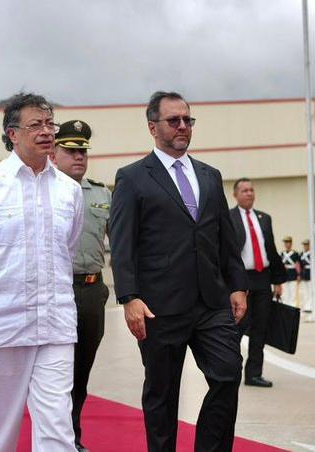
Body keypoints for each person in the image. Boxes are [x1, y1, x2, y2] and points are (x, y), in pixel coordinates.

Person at [109, 91, 248, 452]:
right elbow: (122, 243)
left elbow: (225, 239)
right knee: (162, 394)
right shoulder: (133, 178)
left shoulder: (210, 175)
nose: (183, 126)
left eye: (188, 120)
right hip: (159, 307)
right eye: (174, 121)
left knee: (228, 373)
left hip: (211, 303)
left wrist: (238, 286)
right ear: (153, 127)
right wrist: (129, 297)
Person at [0, 93, 82, 451]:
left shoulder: (70, 191)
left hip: (55, 325)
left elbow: (69, 249)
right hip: (2, 327)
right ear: (12, 133)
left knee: (58, 428)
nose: (47, 131)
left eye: (51, 124)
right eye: (36, 124)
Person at [49, 119, 110, 451]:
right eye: (71, 151)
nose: (79, 157)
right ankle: (53, 434)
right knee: (53, 372)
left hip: (90, 292)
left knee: (81, 370)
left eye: (83, 152)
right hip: (57, 291)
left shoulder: (100, 193)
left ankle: (72, 436)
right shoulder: (44, 190)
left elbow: (123, 243)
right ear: (54, 154)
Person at [230, 178, 286, 388]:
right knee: (237, 328)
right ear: (235, 195)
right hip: (240, 280)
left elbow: (270, 249)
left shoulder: (264, 218)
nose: (249, 193)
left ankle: (254, 374)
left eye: (251, 190)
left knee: (260, 328)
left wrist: (278, 280)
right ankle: (231, 370)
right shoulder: (228, 217)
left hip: (263, 278)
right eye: (244, 190)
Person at [280, 237, 301, 307]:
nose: (286, 244)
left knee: (293, 293)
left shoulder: (295, 254)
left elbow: (300, 264)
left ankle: (292, 307)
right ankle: (286, 306)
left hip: (293, 274)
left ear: (291, 243)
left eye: (288, 243)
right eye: (285, 243)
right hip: (284, 275)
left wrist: (299, 275)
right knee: (285, 293)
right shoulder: (282, 254)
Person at [299, 239, 315, 315]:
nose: (305, 246)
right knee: (305, 291)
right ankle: (306, 306)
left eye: (307, 245)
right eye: (304, 245)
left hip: (310, 274)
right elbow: (300, 265)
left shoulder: (312, 254)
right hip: (304, 274)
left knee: (310, 291)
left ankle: (311, 306)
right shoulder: (301, 254)